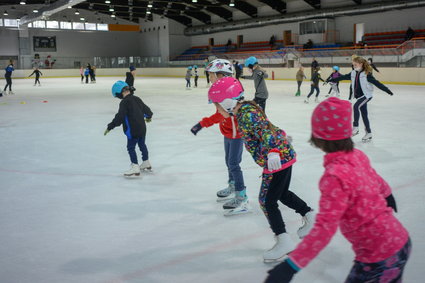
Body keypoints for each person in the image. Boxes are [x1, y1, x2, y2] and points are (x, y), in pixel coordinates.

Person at [265, 97, 410, 283]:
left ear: (319, 136)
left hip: (379, 257)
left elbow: (324, 229)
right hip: (399, 241)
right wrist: (387, 194)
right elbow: (376, 178)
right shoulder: (357, 155)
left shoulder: (334, 177)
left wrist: (291, 266)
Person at [208, 77, 315, 262]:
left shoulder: (246, 114)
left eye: (217, 105)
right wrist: (281, 138)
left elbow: (265, 132)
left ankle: (283, 240)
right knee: (280, 194)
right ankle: (310, 216)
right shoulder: (247, 110)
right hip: (283, 156)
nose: (216, 109)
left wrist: (273, 150)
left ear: (227, 103)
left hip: (276, 160)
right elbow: (269, 127)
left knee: (266, 201)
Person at [191, 59, 248, 216]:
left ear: (222, 75)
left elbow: (228, 114)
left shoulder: (233, 96)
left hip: (236, 135)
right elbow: (219, 115)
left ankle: (241, 196)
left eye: (211, 75)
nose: (210, 79)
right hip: (227, 134)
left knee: (234, 164)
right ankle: (232, 185)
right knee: (228, 162)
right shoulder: (223, 95)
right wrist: (202, 124)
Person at [329, 56, 393, 142]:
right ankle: (369, 133)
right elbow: (343, 77)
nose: (354, 66)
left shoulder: (367, 74)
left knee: (356, 107)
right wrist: (333, 79)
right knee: (364, 115)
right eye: (353, 65)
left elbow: (378, 84)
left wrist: (387, 90)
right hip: (359, 96)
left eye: (355, 64)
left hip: (366, 95)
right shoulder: (353, 73)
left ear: (361, 64)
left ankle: (355, 128)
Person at [104, 81, 153, 176]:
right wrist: (148, 117)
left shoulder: (124, 102)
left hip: (132, 130)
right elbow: (147, 110)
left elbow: (120, 118)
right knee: (142, 144)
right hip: (142, 128)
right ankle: (146, 162)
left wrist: (111, 126)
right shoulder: (137, 98)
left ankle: (135, 166)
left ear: (119, 93)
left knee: (131, 147)